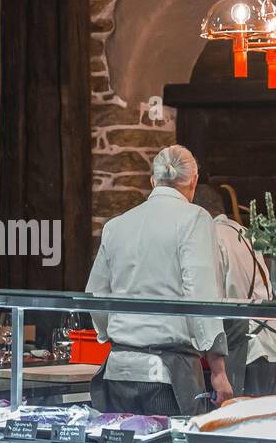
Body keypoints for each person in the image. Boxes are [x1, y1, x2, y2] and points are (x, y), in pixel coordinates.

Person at [85, 145, 232, 416]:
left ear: (152, 180)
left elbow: (95, 295)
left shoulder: (116, 225)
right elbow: (201, 296)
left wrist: (113, 335)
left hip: (117, 370)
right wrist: (219, 370)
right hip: (168, 376)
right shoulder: (195, 219)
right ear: (194, 180)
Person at [193, 183, 276, 397]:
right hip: (274, 348)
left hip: (246, 355)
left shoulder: (211, 238)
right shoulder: (245, 233)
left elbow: (212, 300)